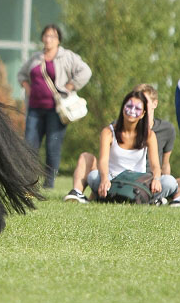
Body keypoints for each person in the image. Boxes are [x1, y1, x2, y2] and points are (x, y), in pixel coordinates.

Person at [64, 91, 178, 204]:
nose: (132, 111)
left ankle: (137, 198)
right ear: (123, 108)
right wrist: (104, 179)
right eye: (129, 106)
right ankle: (147, 200)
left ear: (143, 113)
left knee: (169, 181)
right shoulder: (108, 132)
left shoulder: (149, 135)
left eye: (137, 108)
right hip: (113, 181)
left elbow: (155, 165)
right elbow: (103, 161)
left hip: (138, 184)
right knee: (93, 176)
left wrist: (157, 179)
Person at [17, 24, 92, 189]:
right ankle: (29, 181)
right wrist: (27, 87)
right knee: (29, 145)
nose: (48, 39)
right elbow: (21, 74)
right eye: (46, 35)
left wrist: (71, 86)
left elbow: (85, 71)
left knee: (53, 146)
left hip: (56, 111)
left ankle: (49, 183)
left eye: (52, 36)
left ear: (58, 40)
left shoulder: (66, 57)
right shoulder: (36, 58)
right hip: (35, 109)